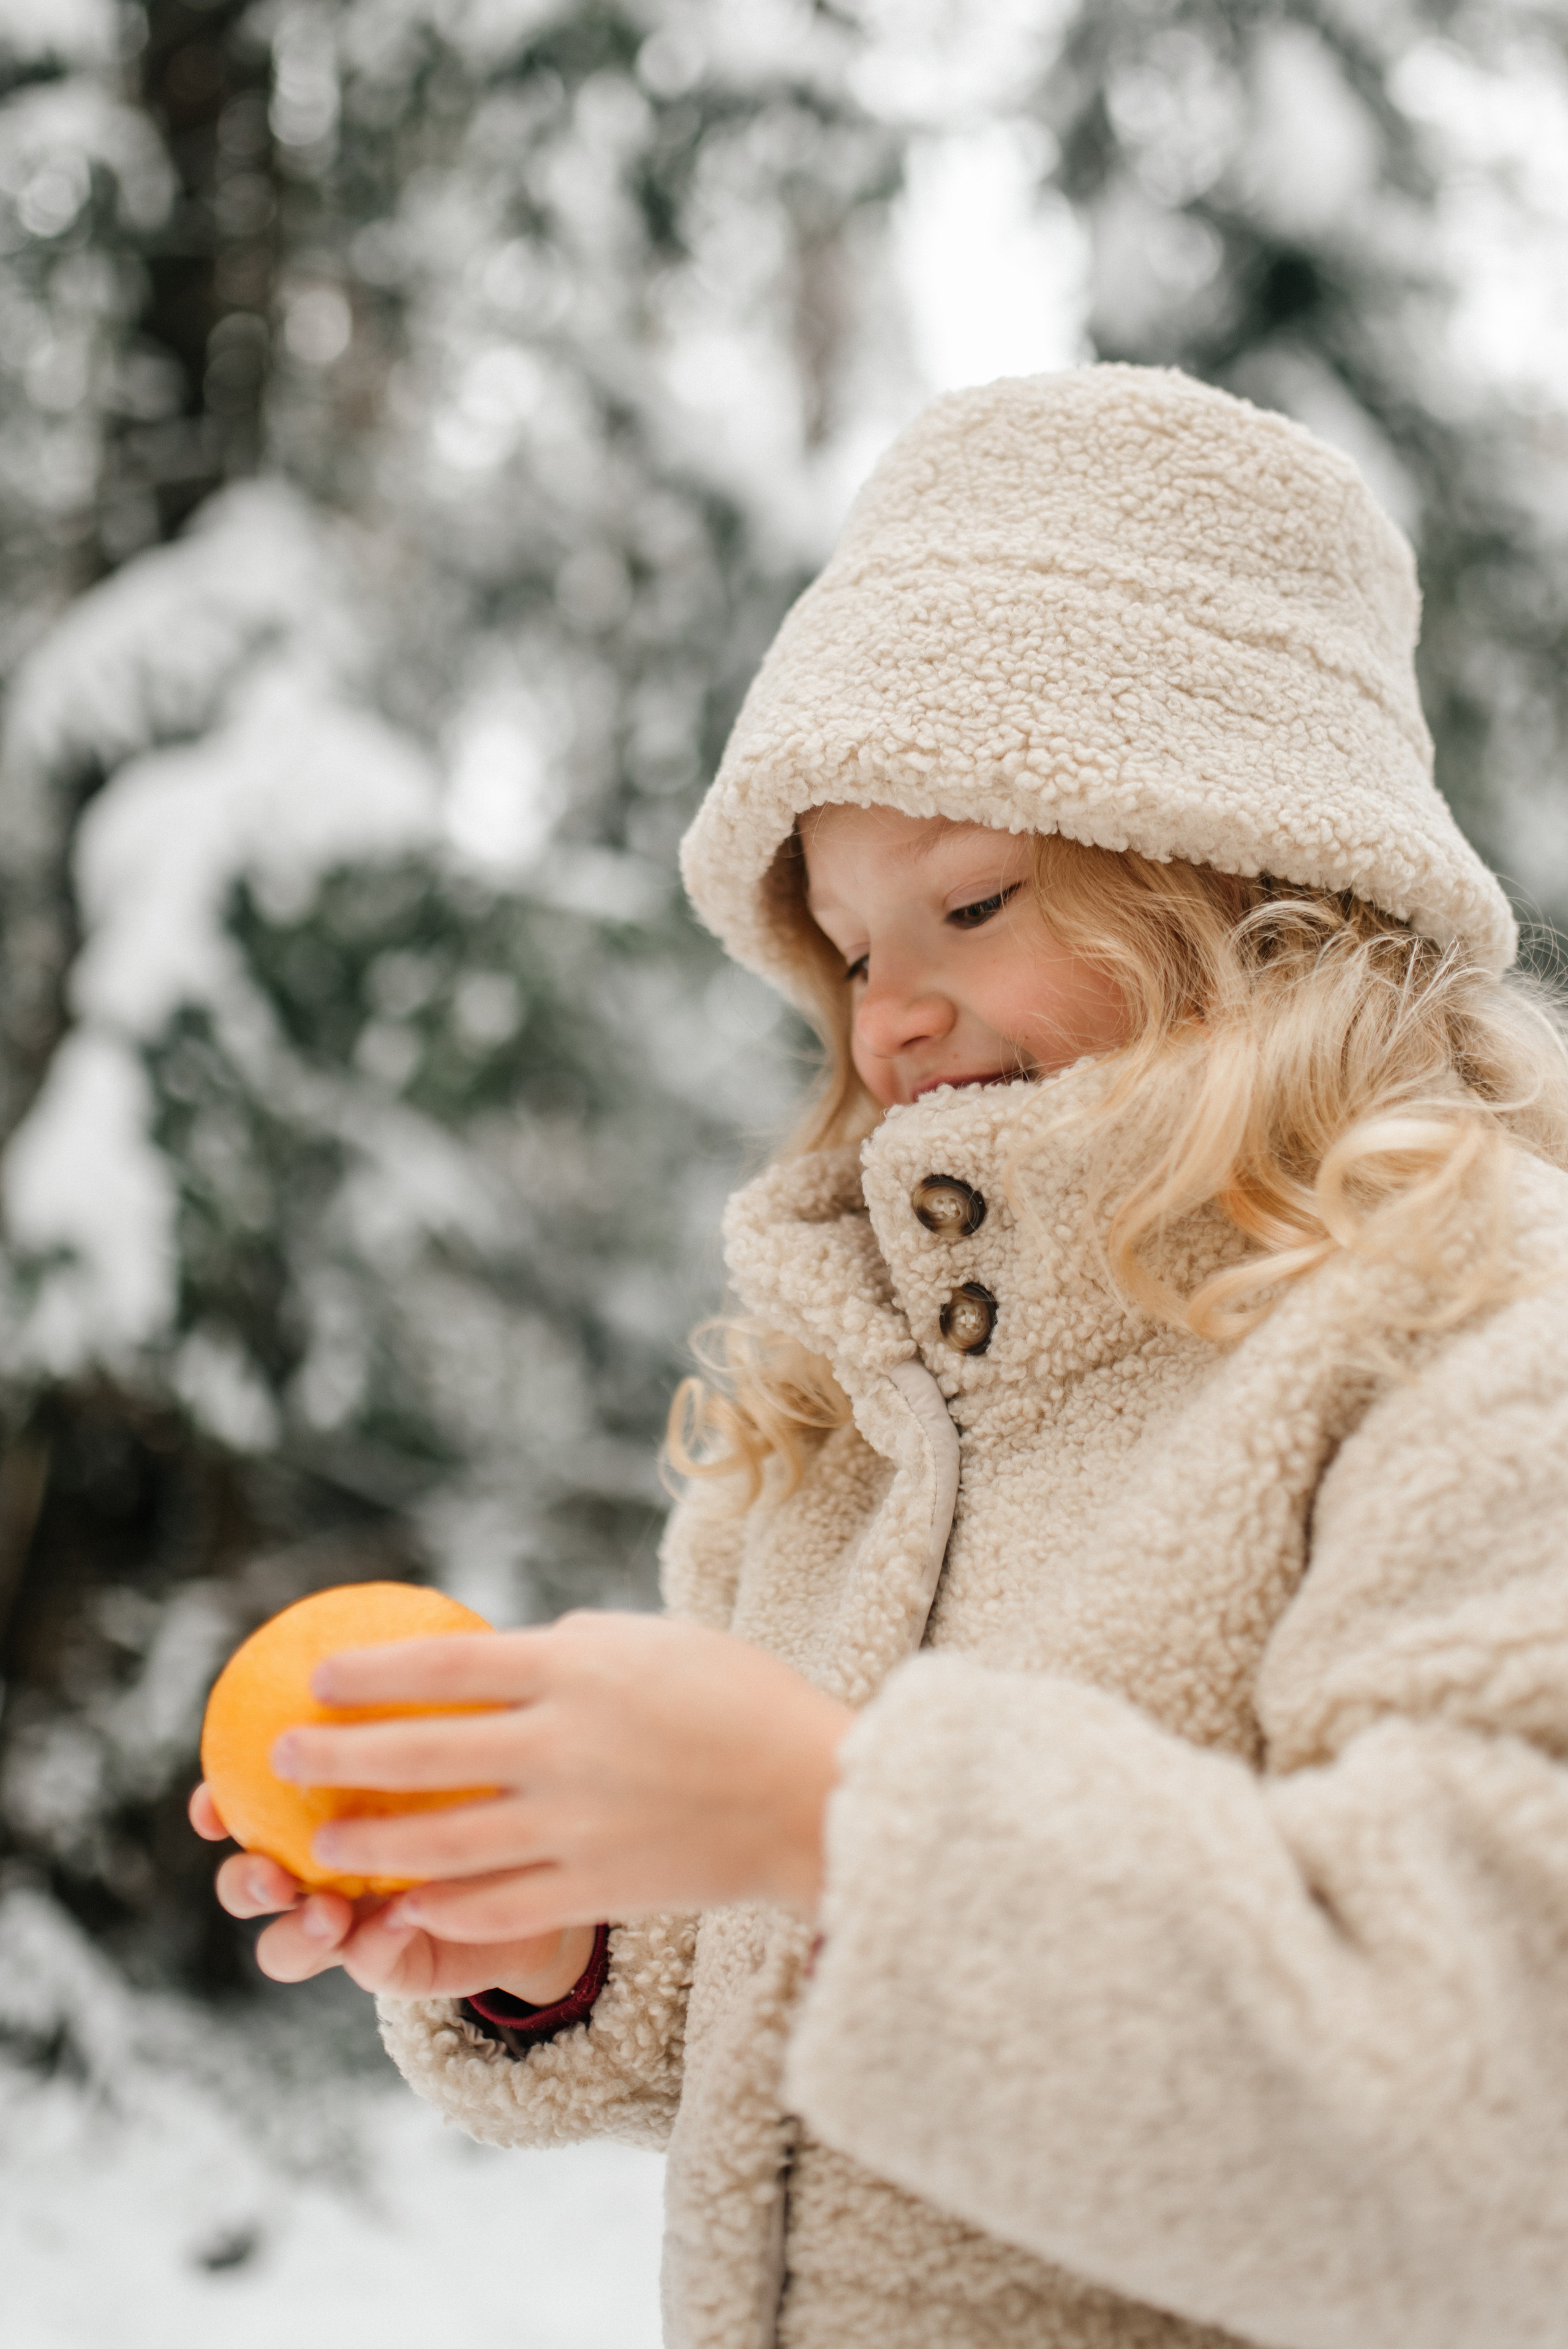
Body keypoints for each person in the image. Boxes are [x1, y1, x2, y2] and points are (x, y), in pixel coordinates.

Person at [192, 366, 1568, 2349]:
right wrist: (561, 1936)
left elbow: (1490, 2123)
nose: (887, 1020)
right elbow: (763, 1990)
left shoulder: (1472, 1333)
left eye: (974, 903)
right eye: (843, 946)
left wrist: (831, 1811)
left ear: (1254, 875)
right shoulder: (861, 1395)